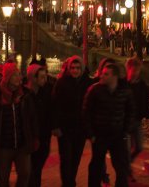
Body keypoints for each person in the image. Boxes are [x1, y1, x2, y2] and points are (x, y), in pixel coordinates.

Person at [0, 62, 39, 187]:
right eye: (15, 75)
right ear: (8, 77)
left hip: (22, 144)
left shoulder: (25, 94)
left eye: (19, 74)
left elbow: (32, 117)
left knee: (25, 173)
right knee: (2, 179)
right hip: (2, 145)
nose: (19, 77)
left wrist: (35, 137)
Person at [83, 63, 134, 187]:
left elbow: (130, 111)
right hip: (100, 135)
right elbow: (86, 112)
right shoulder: (95, 90)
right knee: (96, 165)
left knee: (121, 167)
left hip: (117, 135)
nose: (102, 76)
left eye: (106, 74)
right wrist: (91, 134)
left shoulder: (125, 91)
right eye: (102, 73)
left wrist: (125, 131)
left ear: (114, 76)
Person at [52, 55, 93, 187]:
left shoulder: (87, 83)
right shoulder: (62, 83)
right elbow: (55, 105)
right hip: (65, 128)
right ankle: (68, 183)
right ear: (68, 69)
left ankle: (71, 180)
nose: (75, 70)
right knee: (66, 159)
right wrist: (56, 126)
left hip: (80, 129)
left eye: (78, 68)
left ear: (82, 69)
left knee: (75, 158)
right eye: (72, 68)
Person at [125, 57, 149, 181]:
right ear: (128, 69)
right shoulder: (123, 84)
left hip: (137, 121)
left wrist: (148, 115)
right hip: (125, 122)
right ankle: (128, 172)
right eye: (133, 70)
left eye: (137, 70)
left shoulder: (142, 84)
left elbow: (146, 100)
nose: (135, 73)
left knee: (139, 147)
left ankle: (125, 165)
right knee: (127, 147)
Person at [26, 63, 53, 187]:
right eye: (42, 77)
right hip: (28, 138)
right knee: (31, 170)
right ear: (33, 78)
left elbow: (49, 113)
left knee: (37, 169)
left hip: (43, 137)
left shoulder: (46, 93)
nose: (45, 80)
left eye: (45, 76)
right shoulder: (25, 95)